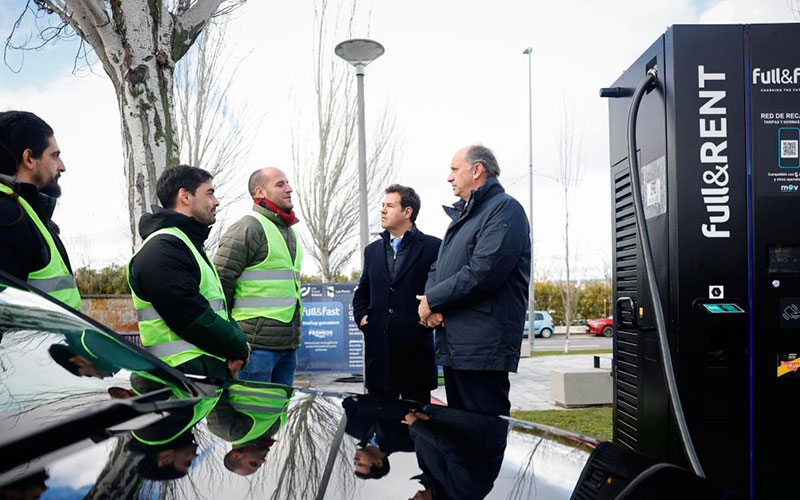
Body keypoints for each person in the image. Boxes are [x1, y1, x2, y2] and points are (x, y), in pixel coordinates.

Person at [417, 145, 530, 417]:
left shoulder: (505, 210)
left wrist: (433, 300)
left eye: (455, 169)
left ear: (477, 170)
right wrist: (432, 306)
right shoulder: (466, 215)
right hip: (457, 343)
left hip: (482, 348)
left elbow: (484, 271)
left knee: (482, 436)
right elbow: (438, 267)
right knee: (460, 437)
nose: (449, 177)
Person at [127, 165, 249, 379]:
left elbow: (216, 309)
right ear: (185, 196)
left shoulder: (186, 244)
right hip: (178, 380)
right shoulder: (163, 249)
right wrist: (237, 346)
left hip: (198, 375)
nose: (216, 201)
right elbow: (191, 317)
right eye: (209, 193)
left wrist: (238, 344)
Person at [214, 167, 303, 385]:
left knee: (278, 417)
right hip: (254, 348)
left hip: (287, 348)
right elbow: (218, 286)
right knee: (252, 416)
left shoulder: (289, 233)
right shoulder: (247, 228)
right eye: (280, 184)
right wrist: (229, 342)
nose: (289, 189)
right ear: (260, 192)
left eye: (288, 183)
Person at [352, 184, 441, 403]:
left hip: (416, 357)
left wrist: (427, 321)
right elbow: (362, 293)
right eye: (382, 205)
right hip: (379, 359)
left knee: (418, 429)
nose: (382, 210)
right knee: (382, 429)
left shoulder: (434, 247)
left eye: (390, 206)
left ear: (407, 212)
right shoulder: (372, 251)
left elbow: (440, 290)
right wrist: (363, 319)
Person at [0, 110, 80, 310]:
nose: (62, 167)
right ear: (29, 159)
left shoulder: (24, 213)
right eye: (54, 156)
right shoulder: (8, 216)